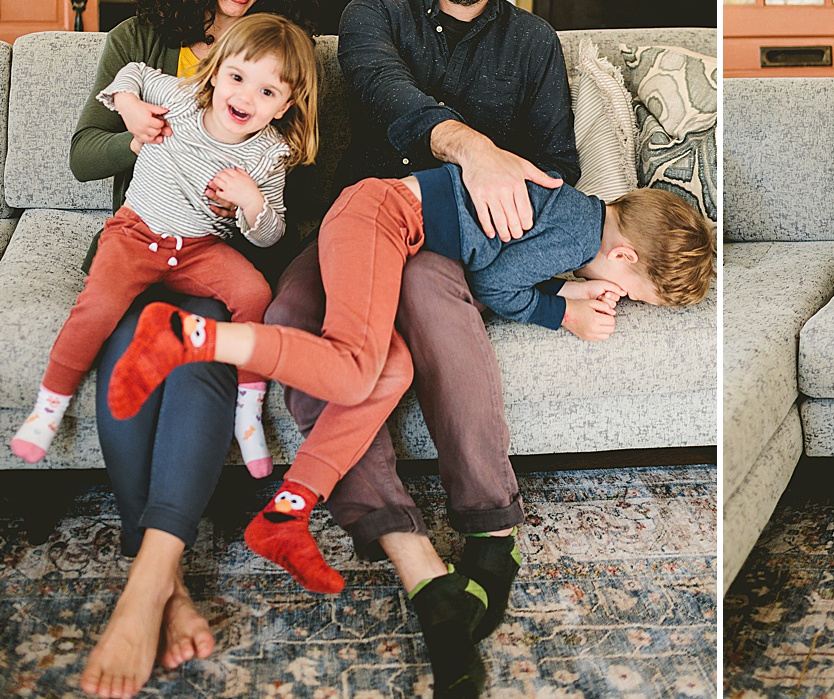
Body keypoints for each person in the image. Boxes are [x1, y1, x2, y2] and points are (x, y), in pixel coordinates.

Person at [262, 0, 578, 698]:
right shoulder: (373, 14)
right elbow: (387, 95)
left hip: (449, 242)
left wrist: (540, 276)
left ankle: (490, 527)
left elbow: (555, 168)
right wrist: (473, 148)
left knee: (433, 304)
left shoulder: (534, 43)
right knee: (294, 319)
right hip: (353, 220)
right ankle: (416, 560)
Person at [108, 170, 714, 601]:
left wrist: (570, 286)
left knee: (386, 371)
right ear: (626, 256)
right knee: (350, 366)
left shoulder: (577, 209)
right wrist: (563, 309)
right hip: (379, 216)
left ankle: (288, 514)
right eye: (634, 294)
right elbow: (498, 284)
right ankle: (187, 338)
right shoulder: (578, 239)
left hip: (391, 225)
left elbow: (496, 257)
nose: (624, 301)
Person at [69, 0, 318, 699]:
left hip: (213, 257)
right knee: (126, 354)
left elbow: (293, 181)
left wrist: (247, 195)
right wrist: (143, 134)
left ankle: (148, 580)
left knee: (198, 353)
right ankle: (166, 581)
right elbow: (83, 150)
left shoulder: (276, 53)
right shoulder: (142, 38)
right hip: (138, 245)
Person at [11, 14, 317, 468]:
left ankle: (248, 413)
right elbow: (131, 71)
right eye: (236, 77)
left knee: (255, 294)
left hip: (201, 250)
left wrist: (251, 203)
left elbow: (271, 235)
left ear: (286, 105)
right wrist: (127, 103)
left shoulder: (269, 153)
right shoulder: (180, 98)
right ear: (214, 72)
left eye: (267, 92)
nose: (245, 97)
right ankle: (48, 407)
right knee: (97, 305)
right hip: (134, 234)